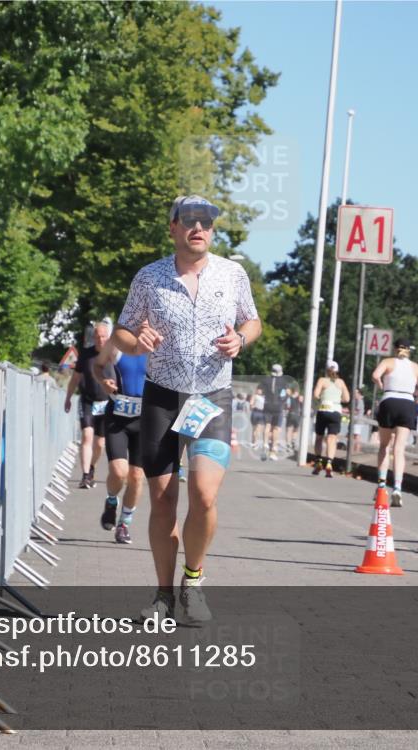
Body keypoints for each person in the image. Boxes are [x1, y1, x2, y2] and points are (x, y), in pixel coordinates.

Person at [112, 195, 261, 624]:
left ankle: (192, 583)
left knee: (204, 494)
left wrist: (242, 340)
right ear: (173, 228)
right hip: (162, 397)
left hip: (212, 397)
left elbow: (252, 320)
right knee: (162, 500)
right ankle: (162, 595)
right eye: (189, 221)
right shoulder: (149, 277)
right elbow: (122, 332)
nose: (199, 229)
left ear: (212, 230)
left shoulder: (232, 274)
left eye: (206, 223)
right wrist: (134, 340)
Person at [94, 341, 149, 544]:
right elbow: (97, 366)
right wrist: (103, 381)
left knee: (136, 476)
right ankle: (111, 501)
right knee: (119, 472)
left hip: (144, 419)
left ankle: (124, 523)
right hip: (118, 416)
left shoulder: (158, 346)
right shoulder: (116, 343)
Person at [371, 338, 418, 507]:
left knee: (384, 446)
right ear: (409, 350)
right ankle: (397, 487)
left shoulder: (388, 362)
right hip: (407, 403)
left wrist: (381, 384)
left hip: (389, 400)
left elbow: (375, 375)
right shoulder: (415, 367)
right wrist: (411, 391)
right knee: (399, 448)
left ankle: (382, 485)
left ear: (395, 349)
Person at [64, 322, 111, 489]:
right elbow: (75, 379)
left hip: (106, 403)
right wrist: (68, 397)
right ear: (94, 337)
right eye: (97, 336)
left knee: (99, 444)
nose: (100, 339)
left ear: (108, 336)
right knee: (87, 436)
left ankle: (91, 467)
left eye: (103, 336)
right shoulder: (86, 355)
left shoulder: (113, 354)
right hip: (88, 401)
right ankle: (85, 476)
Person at [312, 360, 350, 478]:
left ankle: (318, 461)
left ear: (327, 370)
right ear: (337, 370)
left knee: (319, 437)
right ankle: (329, 463)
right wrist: (338, 399)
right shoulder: (341, 382)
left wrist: (322, 397)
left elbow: (315, 395)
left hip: (323, 409)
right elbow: (347, 399)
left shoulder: (322, 380)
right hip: (335, 411)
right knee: (332, 438)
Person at [262, 364, 288, 460]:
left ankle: (265, 443)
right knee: (276, 428)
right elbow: (284, 395)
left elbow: (260, 391)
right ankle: (273, 448)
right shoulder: (283, 381)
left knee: (267, 426)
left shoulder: (266, 380)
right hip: (278, 406)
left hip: (267, 405)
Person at [249, 386, 266, 453]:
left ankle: (255, 442)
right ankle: (254, 442)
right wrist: (252, 406)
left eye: (260, 390)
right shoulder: (255, 396)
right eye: (258, 390)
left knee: (258, 429)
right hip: (256, 412)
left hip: (261, 412)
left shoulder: (264, 397)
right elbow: (251, 404)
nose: (259, 391)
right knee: (255, 429)